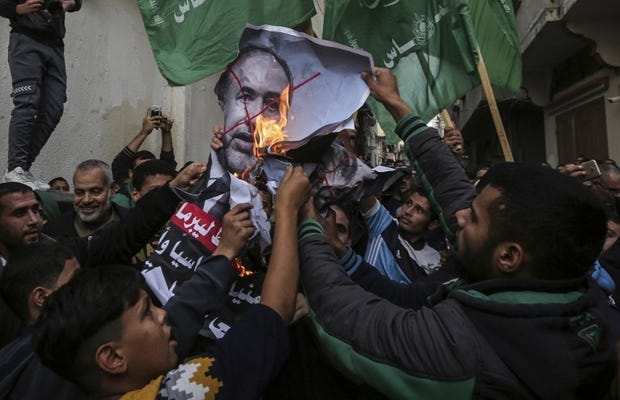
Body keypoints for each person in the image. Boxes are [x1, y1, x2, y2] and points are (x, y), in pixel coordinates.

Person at [296, 68, 616, 398]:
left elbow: (345, 318)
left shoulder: (464, 350)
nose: (459, 217)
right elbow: (450, 184)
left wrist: (306, 220)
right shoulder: (570, 289)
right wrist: (396, 104)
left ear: (508, 256)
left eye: (474, 219)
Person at [34, 166, 310, 399]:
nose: (163, 312)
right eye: (146, 314)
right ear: (113, 359)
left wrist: (224, 253)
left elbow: (184, 311)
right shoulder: (184, 390)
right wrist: (288, 210)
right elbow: (275, 310)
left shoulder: (85, 370)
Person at [0, 162, 207, 347]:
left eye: (36, 210)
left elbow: (120, 237)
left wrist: (171, 191)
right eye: (20, 213)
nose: (33, 220)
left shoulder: (61, 251)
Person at [0, 0, 81, 190]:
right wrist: (17, 9)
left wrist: (69, 4)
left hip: (55, 45)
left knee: (54, 109)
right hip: (26, 39)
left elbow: (78, 2)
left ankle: (22, 170)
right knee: (27, 104)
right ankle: (16, 168)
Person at [0, 243, 84, 399]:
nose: (86, 285)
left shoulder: (9, 359)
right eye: (76, 279)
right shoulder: (62, 358)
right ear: (42, 297)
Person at [213, 46, 292, 175]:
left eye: (272, 106)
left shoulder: (294, 188)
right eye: (245, 97)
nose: (255, 119)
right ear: (223, 100)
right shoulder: (192, 185)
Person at [43, 160, 128, 240]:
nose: (86, 200)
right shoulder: (53, 232)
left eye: (95, 191)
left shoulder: (133, 223)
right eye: (79, 192)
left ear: (112, 189)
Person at [111, 108, 177, 208]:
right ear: (130, 174)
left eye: (151, 170)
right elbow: (119, 164)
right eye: (141, 169)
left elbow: (167, 165)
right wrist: (144, 132)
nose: (148, 174)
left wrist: (166, 132)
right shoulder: (122, 199)